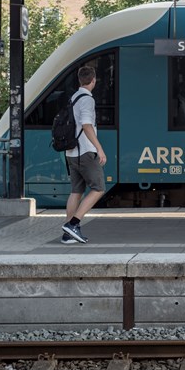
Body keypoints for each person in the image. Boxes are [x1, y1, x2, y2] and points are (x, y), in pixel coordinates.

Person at [61, 65, 107, 244]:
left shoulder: (74, 97)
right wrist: (100, 149)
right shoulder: (87, 100)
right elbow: (87, 125)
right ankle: (73, 224)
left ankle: (67, 234)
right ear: (93, 80)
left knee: (76, 191)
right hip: (86, 152)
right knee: (99, 188)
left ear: (80, 80)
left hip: (71, 153)